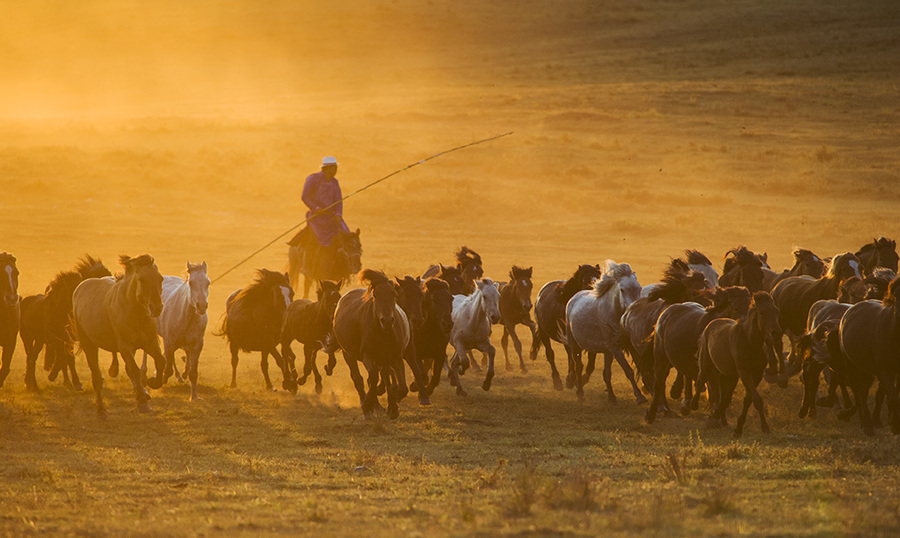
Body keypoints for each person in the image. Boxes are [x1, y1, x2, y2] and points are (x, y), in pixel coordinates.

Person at [301, 156, 350, 247]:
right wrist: (316, 208)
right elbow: (305, 196)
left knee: (347, 235)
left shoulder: (335, 182)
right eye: (333, 168)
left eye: (336, 168)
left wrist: (338, 214)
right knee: (313, 241)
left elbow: (338, 201)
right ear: (326, 168)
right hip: (316, 217)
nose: (335, 170)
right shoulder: (313, 179)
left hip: (332, 217)